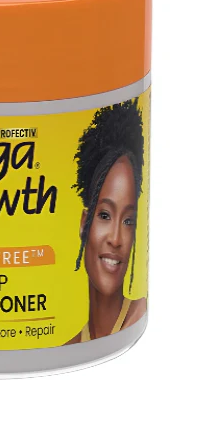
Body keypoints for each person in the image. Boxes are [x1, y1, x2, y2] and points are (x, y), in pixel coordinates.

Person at [67, 99, 147, 344]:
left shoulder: (139, 314)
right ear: (84, 224)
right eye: (104, 215)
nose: (116, 239)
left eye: (128, 221)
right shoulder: (70, 346)